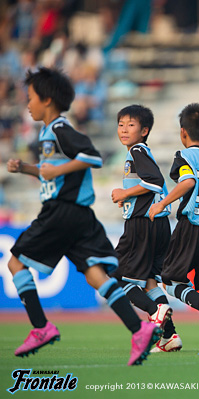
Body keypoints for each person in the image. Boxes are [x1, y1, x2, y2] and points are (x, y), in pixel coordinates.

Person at [6, 67, 160, 366]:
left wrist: (57, 169)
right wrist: (26, 168)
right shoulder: (47, 133)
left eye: (31, 97)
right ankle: (139, 328)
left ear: (47, 100)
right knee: (94, 274)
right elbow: (53, 172)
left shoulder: (60, 129)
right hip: (78, 216)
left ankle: (41, 327)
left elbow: (91, 156)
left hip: (61, 212)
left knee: (15, 262)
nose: (27, 104)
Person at [148, 103, 199, 356]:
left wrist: (162, 203)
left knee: (171, 281)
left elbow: (188, 181)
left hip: (193, 225)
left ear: (183, 132)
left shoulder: (185, 156)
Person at [110, 104, 182, 353]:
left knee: (115, 276)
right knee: (150, 281)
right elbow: (151, 184)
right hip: (158, 223)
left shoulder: (137, 150)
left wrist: (124, 192)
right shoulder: (141, 151)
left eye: (131, 125)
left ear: (145, 130)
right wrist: (127, 197)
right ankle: (169, 337)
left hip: (142, 225)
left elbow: (155, 181)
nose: (124, 129)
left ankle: (155, 311)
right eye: (121, 124)